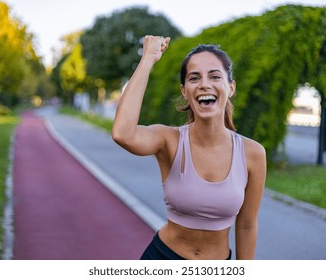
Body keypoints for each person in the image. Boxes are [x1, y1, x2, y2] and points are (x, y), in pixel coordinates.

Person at [112, 35, 266, 260]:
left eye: (214, 76)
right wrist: (148, 59)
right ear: (184, 90)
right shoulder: (169, 140)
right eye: (194, 78)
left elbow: (247, 225)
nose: (205, 84)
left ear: (230, 87)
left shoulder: (252, 153)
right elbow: (123, 134)